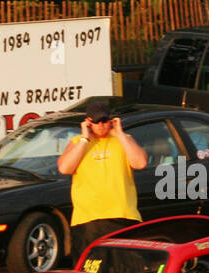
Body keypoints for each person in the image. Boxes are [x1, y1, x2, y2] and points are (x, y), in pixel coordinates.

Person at [57, 98, 148, 259]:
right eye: (97, 121)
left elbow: (140, 163)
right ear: (88, 122)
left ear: (111, 120)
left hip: (122, 216)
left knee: (126, 271)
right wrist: (85, 138)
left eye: (105, 121)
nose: (101, 125)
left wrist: (119, 134)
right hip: (88, 220)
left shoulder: (124, 139)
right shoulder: (78, 143)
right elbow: (65, 168)